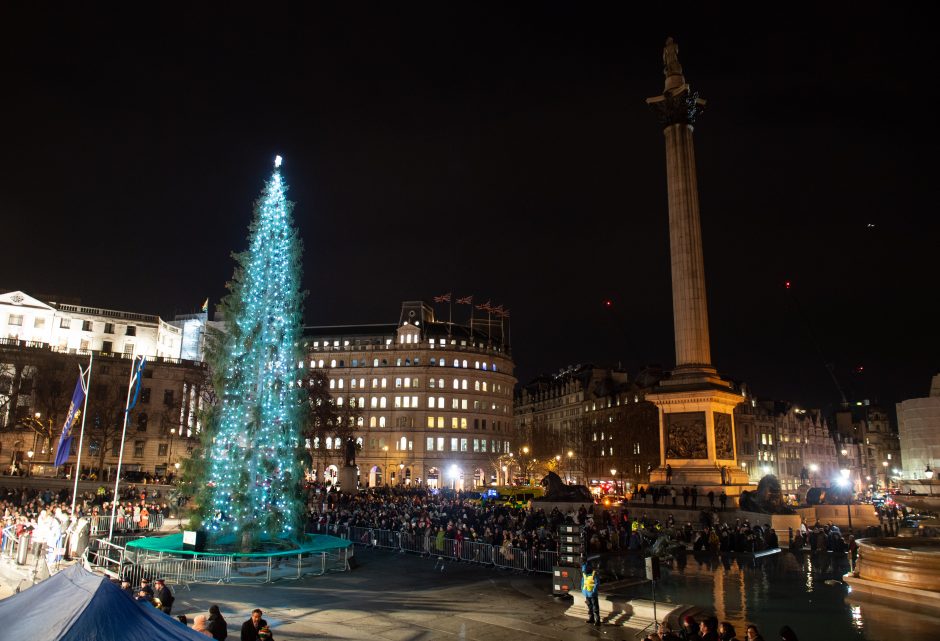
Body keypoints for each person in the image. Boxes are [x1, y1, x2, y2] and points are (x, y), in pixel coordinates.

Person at [581, 562, 600, 626]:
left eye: (585, 570)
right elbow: (582, 582)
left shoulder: (594, 574)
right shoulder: (584, 574)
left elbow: (597, 583)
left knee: (595, 607)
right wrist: (583, 590)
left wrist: (593, 591)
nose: (584, 572)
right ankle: (591, 618)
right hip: (587, 593)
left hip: (592, 594)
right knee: (590, 607)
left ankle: (597, 620)